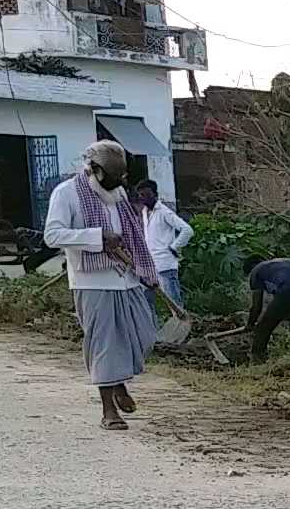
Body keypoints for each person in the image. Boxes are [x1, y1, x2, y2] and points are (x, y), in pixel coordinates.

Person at [43, 140, 162, 431]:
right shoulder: (67, 193)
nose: (121, 181)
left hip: (127, 275)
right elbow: (52, 236)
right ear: (94, 170)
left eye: (123, 176)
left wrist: (144, 269)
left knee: (144, 336)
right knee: (104, 344)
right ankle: (109, 410)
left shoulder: (118, 194)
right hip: (91, 281)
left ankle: (119, 380)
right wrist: (97, 238)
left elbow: (132, 232)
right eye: (114, 176)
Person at [238, 256, 290, 362]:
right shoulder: (283, 262)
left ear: (249, 270)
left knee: (263, 327)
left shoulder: (256, 271)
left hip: (289, 288)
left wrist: (250, 324)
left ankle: (258, 360)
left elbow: (256, 307)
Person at [134, 179, 192, 313]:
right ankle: (152, 330)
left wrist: (174, 247)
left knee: (174, 303)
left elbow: (187, 230)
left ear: (155, 194)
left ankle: (183, 328)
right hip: (150, 264)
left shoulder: (164, 212)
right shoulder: (144, 212)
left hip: (165, 264)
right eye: (141, 195)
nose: (143, 198)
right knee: (147, 301)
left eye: (147, 194)